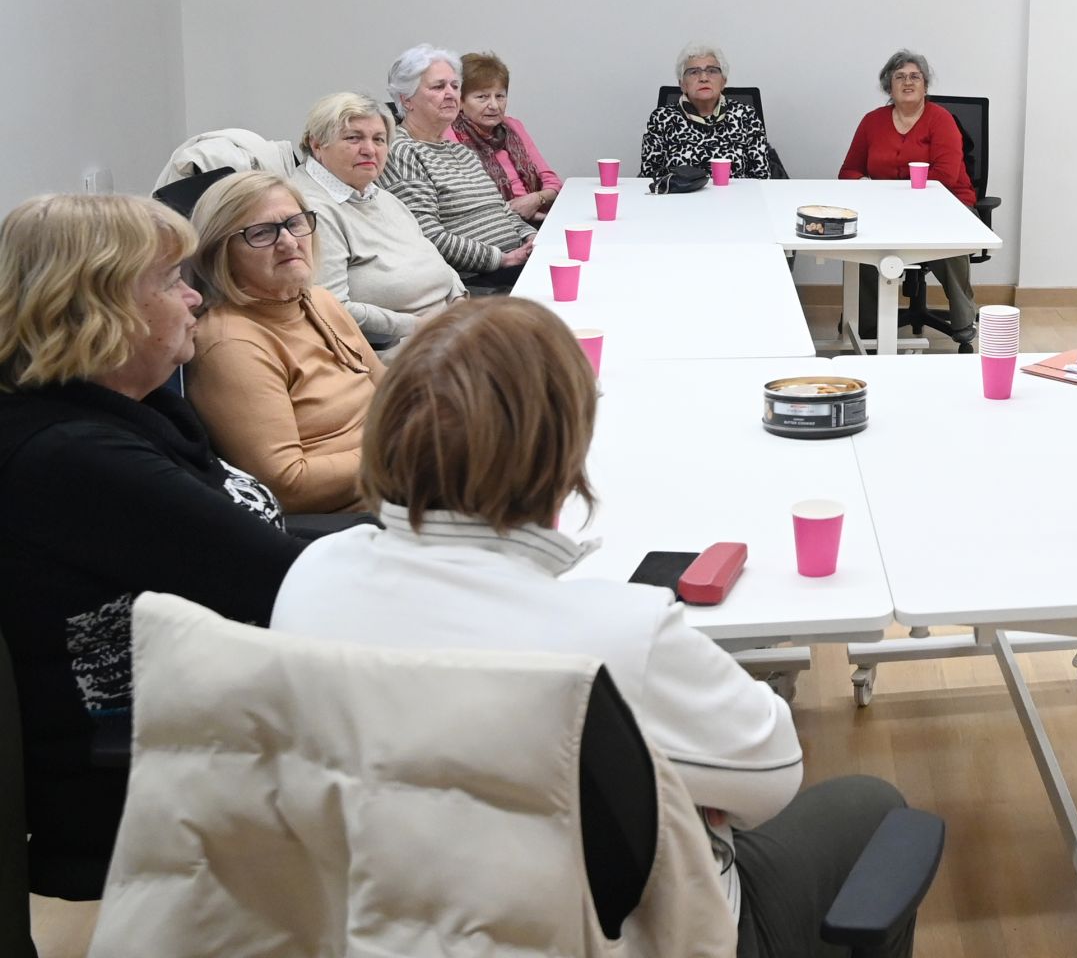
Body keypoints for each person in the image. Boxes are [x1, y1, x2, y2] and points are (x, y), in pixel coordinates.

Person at [271, 298, 912, 957]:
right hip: (606, 938)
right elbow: (771, 779)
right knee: (871, 804)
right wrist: (678, 789)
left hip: (376, 927)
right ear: (563, 455)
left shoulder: (313, 575)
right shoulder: (616, 634)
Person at [0, 194, 303, 871]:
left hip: (222, 708)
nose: (195, 298)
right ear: (97, 307)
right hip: (153, 770)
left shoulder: (136, 409)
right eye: (171, 281)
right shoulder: (72, 455)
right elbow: (282, 578)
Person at [187, 172, 385, 515]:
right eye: (261, 233)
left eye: (295, 223)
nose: (289, 242)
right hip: (359, 517)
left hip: (407, 480)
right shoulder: (230, 343)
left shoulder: (319, 300)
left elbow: (390, 390)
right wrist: (400, 449)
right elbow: (287, 485)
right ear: (219, 252)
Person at [291, 91, 465, 349]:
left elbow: (434, 259)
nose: (369, 150)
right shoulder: (308, 210)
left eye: (379, 139)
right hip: (396, 348)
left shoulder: (380, 196)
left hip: (449, 326)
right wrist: (418, 326)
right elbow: (332, 308)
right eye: (353, 138)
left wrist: (460, 302)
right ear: (317, 145)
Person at [839, 49, 978, 351]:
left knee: (950, 241)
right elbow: (848, 171)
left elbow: (946, 176)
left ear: (926, 85)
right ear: (888, 86)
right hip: (885, 211)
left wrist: (893, 194)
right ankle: (866, 326)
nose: (908, 82)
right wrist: (867, 186)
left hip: (946, 204)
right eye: (899, 76)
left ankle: (963, 320)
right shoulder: (872, 122)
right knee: (861, 243)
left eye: (915, 76)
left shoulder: (941, 120)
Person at [377, 43, 536, 283]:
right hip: (472, 279)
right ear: (406, 100)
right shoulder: (401, 151)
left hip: (513, 262)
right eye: (438, 87)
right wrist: (502, 259)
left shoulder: (461, 151)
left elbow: (501, 210)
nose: (451, 94)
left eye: (454, 86)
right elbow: (427, 237)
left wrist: (530, 238)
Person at [641, 43, 781, 179]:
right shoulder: (661, 118)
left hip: (735, 195)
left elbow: (762, 177)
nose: (703, 78)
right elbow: (649, 177)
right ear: (682, 84)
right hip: (679, 194)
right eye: (694, 72)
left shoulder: (746, 116)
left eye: (712, 71)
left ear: (723, 81)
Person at [453, 51, 561, 224]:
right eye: (482, 97)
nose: (494, 105)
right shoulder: (450, 136)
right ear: (460, 101)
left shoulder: (513, 126)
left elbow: (553, 183)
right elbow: (466, 202)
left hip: (539, 219)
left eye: (500, 96)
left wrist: (536, 199)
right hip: (496, 226)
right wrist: (528, 215)